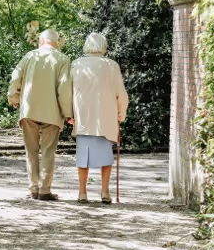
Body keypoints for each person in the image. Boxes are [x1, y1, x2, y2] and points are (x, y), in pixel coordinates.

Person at [8, 29, 73, 201]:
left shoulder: (29, 56)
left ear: (41, 41)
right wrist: (68, 113)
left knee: (31, 151)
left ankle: (33, 189)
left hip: (29, 111)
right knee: (48, 152)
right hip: (52, 112)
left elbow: (15, 78)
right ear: (56, 43)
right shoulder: (63, 59)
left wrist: (14, 97)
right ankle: (44, 190)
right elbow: (64, 88)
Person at [70, 32, 128, 204]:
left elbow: (68, 91)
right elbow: (121, 94)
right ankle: (104, 192)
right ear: (104, 46)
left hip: (83, 117)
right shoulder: (111, 65)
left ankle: (82, 192)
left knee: (83, 156)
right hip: (105, 118)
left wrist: (69, 114)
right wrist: (121, 114)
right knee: (106, 157)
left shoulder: (76, 64)